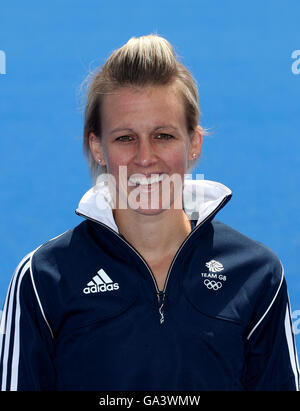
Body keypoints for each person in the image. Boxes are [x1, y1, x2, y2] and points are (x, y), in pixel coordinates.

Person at [0, 34, 299, 391]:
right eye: (125, 137)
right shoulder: (43, 280)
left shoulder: (256, 275)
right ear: (98, 148)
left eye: (163, 136)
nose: (145, 158)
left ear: (194, 143)